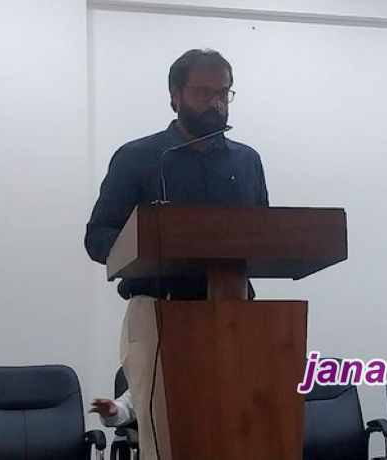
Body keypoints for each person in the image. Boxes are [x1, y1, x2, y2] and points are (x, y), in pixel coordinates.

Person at [84, 48, 269, 460]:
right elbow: (98, 237)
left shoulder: (247, 161)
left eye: (223, 93)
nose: (215, 103)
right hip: (159, 314)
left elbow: (264, 235)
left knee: (238, 435)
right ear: (175, 95)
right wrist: (151, 244)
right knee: (167, 439)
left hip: (235, 315)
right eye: (203, 93)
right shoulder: (138, 157)